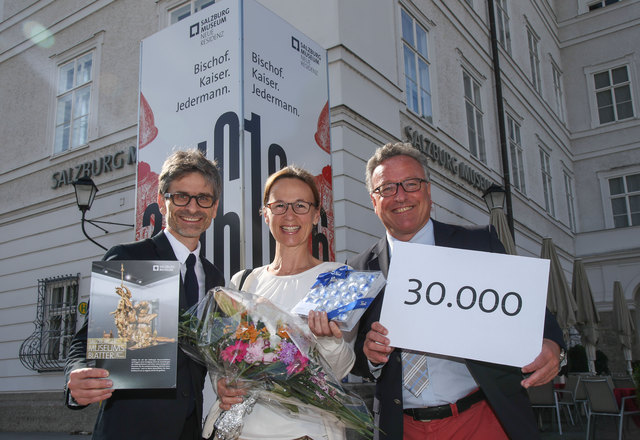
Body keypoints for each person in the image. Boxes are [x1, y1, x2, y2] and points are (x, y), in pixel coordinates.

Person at [348, 142, 566, 439]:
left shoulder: (478, 244)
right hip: (401, 428)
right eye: (386, 188)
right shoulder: (359, 268)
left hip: (483, 419)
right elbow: (355, 354)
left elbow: (527, 310)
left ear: (428, 190)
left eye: (411, 184)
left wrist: (552, 344)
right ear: (374, 202)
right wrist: (369, 354)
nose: (400, 196)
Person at [64, 149, 225, 440]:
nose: (192, 207)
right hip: (129, 429)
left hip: (191, 430)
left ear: (214, 208)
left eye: (203, 198)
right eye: (181, 196)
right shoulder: (131, 258)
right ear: (163, 202)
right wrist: (76, 378)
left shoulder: (215, 277)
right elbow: (87, 340)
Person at [210, 166, 355, 440]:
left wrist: (329, 341)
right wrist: (221, 382)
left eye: (301, 205)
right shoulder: (242, 282)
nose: (289, 215)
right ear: (265, 214)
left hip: (306, 433)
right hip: (240, 431)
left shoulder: (336, 279)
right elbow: (221, 359)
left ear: (315, 215)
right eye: (279, 205)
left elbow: (340, 371)